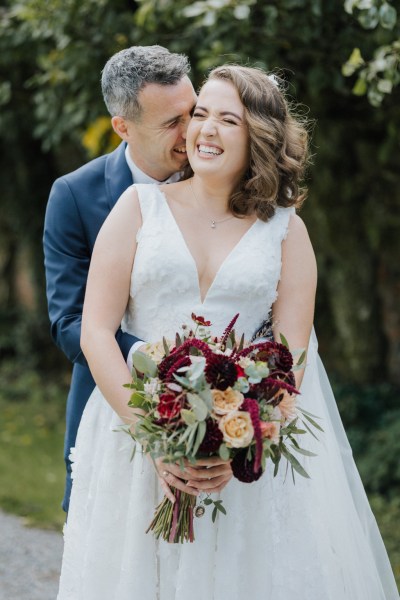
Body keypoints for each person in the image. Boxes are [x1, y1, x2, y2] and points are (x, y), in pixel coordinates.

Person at [57, 65, 399, 599]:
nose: (205, 129)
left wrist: (238, 443)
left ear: (258, 135)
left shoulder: (287, 230)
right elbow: (96, 332)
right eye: (200, 114)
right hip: (134, 436)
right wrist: (154, 439)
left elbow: (291, 359)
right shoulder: (137, 208)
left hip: (242, 461)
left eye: (227, 119)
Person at [43, 45, 197, 512]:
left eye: (195, 111)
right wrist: (155, 360)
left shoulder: (223, 179)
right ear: (123, 127)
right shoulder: (74, 195)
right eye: (172, 123)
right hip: (111, 410)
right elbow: (68, 321)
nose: (193, 133)